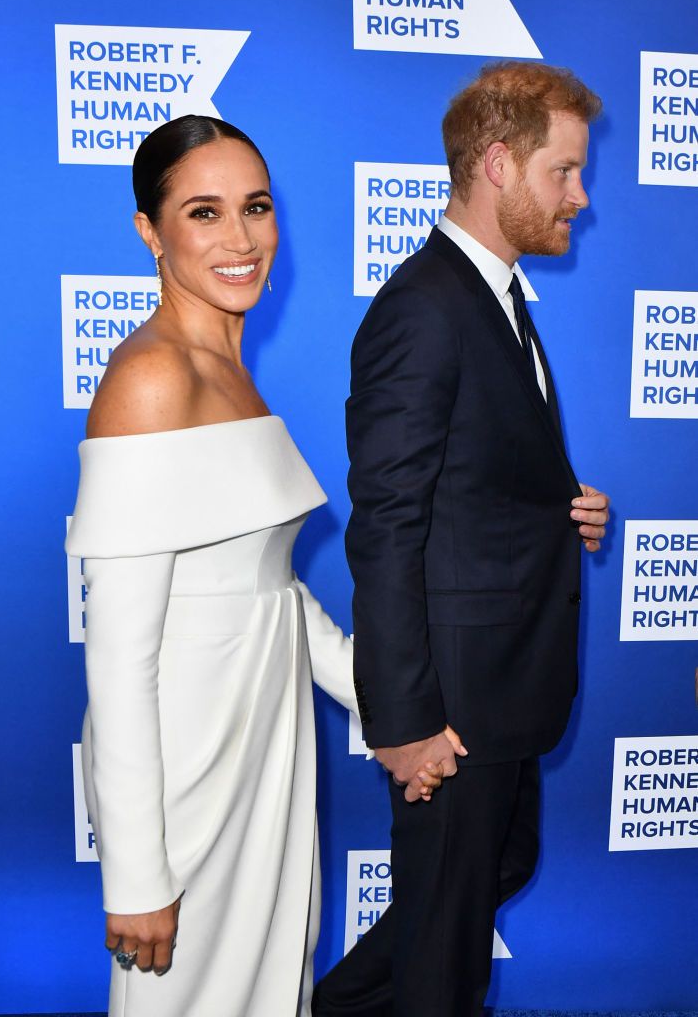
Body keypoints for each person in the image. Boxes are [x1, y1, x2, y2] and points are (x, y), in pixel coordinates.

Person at [65, 115, 443, 1017]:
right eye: (204, 213)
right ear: (149, 233)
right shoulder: (150, 380)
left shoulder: (228, 370)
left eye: (256, 207)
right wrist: (138, 873)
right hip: (186, 764)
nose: (240, 240)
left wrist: (390, 706)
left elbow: (268, 592)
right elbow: (116, 660)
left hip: (263, 739)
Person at [313, 62, 610, 1017]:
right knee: (444, 960)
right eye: (562, 171)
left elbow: (469, 476)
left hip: (500, 688)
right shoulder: (423, 309)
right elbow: (386, 524)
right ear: (497, 163)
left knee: (471, 889)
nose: (580, 193)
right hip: (449, 705)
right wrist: (400, 722)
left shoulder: (494, 298)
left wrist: (558, 504)